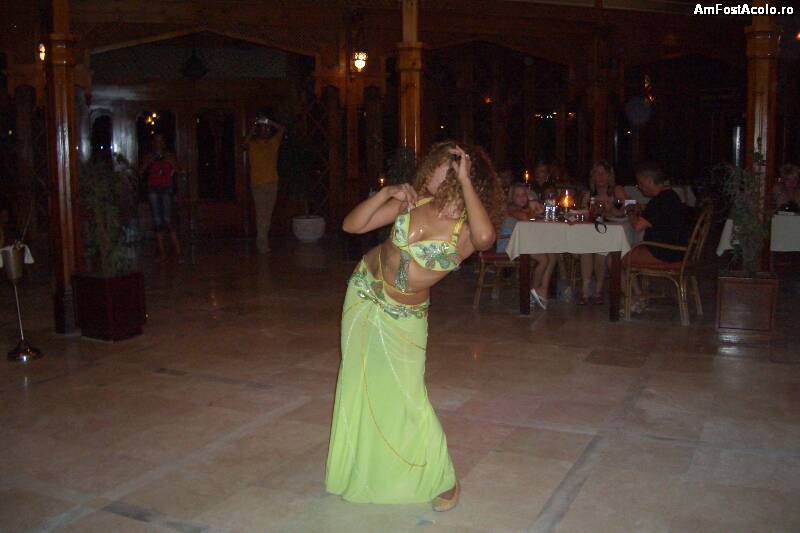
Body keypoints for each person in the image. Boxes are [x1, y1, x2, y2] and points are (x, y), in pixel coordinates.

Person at [326, 141, 504, 511]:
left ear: (461, 175)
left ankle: (442, 478)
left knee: (408, 396)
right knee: (361, 383)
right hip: (363, 292)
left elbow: (487, 239)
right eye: (436, 163)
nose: (433, 170)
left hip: (404, 317)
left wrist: (466, 182)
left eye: (444, 166)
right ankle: (362, 466)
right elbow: (351, 225)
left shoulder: (468, 226)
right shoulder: (415, 201)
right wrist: (386, 193)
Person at [626, 162, 690, 309]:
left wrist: (629, 211)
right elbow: (657, 215)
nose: (639, 187)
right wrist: (642, 208)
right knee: (626, 250)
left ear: (649, 181)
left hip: (663, 252)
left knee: (615, 258)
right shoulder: (671, 195)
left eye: (640, 183)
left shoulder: (659, 201)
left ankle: (636, 299)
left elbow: (637, 226)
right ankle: (638, 296)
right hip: (678, 249)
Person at [577, 161, 628, 305]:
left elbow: (626, 210)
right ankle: (585, 291)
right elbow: (584, 214)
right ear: (592, 177)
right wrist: (591, 211)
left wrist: (610, 210)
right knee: (585, 249)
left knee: (601, 250)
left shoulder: (616, 191)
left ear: (609, 176)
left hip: (616, 233)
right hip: (592, 232)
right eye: (596, 173)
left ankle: (598, 291)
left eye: (603, 173)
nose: (600, 177)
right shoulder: (589, 194)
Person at [497, 183, 554, 309]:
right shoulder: (510, 208)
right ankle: (533, 290)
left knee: (551, 252)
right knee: (544, 259)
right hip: (507, 244)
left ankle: (540, 290)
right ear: (512, 197)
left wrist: (535, 207)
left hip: (519, 241)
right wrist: (533, 208)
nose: (521, 198)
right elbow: (524, 217)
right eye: (518, 195)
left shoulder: (522, 209)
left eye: (524, 195)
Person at [245, 116, 285, 254]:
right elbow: (244, 142)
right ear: (258, 131)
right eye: (263, 129)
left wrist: (268, 121)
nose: (266, 130)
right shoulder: (253, 144)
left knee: (267, 215)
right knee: (261, 214)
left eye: (267, 129)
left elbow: (282, 129)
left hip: (272, 183)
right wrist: (255, 124)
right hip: (258, 184)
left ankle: (263, 241)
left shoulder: (273, 142)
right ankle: (262, 243)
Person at [140, 133, 181, 259]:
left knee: (168, 219)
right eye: (156, 141)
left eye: (161, 141)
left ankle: (177, 250)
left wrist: (171, 163)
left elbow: (178, 170)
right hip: (153, 189)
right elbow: (141, 172)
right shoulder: (149, 156)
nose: (159, 143)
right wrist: (148, 162)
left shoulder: (169, 156)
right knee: (157, 220)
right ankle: (162, 251)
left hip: (167, 189)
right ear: (153, 143)